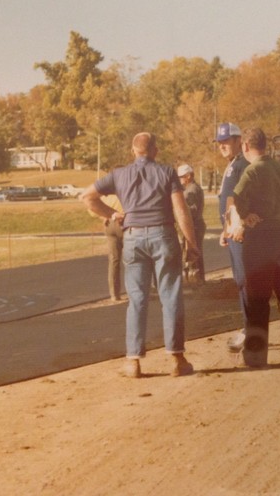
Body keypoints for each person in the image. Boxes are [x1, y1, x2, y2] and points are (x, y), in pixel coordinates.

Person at [82, 132, 201, 378]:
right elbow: (180, 210)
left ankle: (133, 362)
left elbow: (87, 197)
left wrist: (111, 214)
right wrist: (192, 244)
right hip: (163, 235)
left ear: (133, 151)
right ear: (155, 150)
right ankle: (177, 359)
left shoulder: (119, 175)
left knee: (137, 299)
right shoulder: (167, 173)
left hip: (133, 238)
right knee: (171, 296)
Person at [226, 127, 280, 367]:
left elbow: (236, 199)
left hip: (260, 238)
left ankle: (255, 356)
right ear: (265, 145)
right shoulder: (278, 167)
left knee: (257, 297)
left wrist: (245, 216)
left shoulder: (252, 171)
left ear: (244, 147)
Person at [215, 122, 249, 353]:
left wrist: (240, 225)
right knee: (241, 280)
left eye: (227, 141)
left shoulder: (242, 166)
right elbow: (230, 202)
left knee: (246, 281)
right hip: (233, 231)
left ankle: (251, 330)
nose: (223, 146)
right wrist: (225, 228)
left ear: (239, 141)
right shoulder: (232, 166)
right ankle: (249, 327)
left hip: (241, 233)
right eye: (220, 142)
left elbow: (246, 198)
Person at [83, 193, 124, 302]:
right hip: (123, 223)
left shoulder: (106, 196)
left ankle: (114, 294)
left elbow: (91, 209)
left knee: (113, 260)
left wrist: (104, 215)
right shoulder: (124, 191)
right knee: (132, 260)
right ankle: (136, 292)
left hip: (109, 224)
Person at [177, 164, 206, 283]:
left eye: (181, 177)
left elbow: (192, 210)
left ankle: (197, 280)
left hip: (194, 225)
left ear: (188, 176)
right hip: (195, 224)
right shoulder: (190, 188)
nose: (179, 180)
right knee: (194, 252)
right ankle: (198, 279)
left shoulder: (192, 190)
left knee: (193, 252)